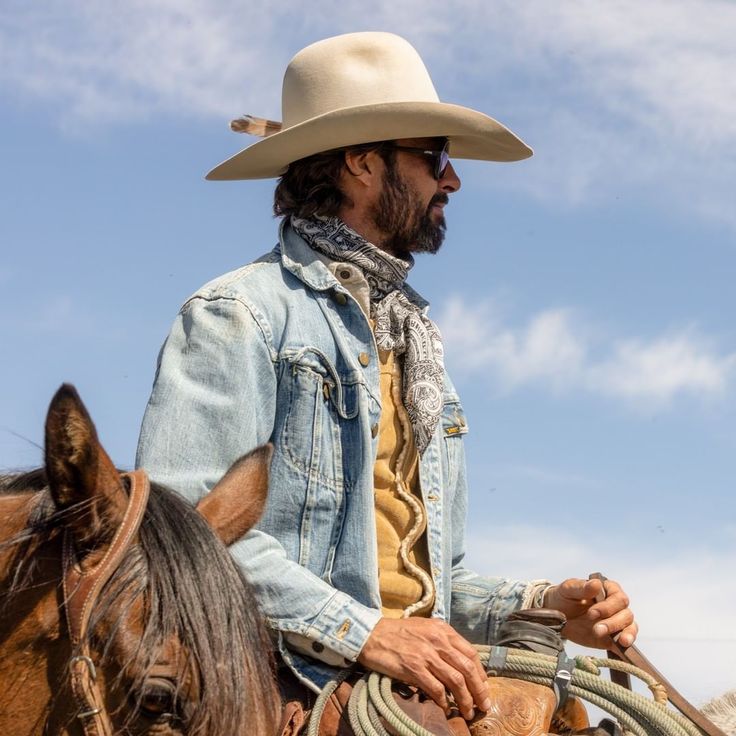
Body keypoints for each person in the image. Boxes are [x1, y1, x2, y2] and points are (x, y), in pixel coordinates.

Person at [137, 31, 637, 726]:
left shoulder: (416, 345)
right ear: (361, 163)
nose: (452, 180)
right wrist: (367, 633)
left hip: (398, 679)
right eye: (435, 156)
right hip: (285, 678)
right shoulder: (239, 314)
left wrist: (546, 605)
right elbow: (184, 539)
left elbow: (434, 584)